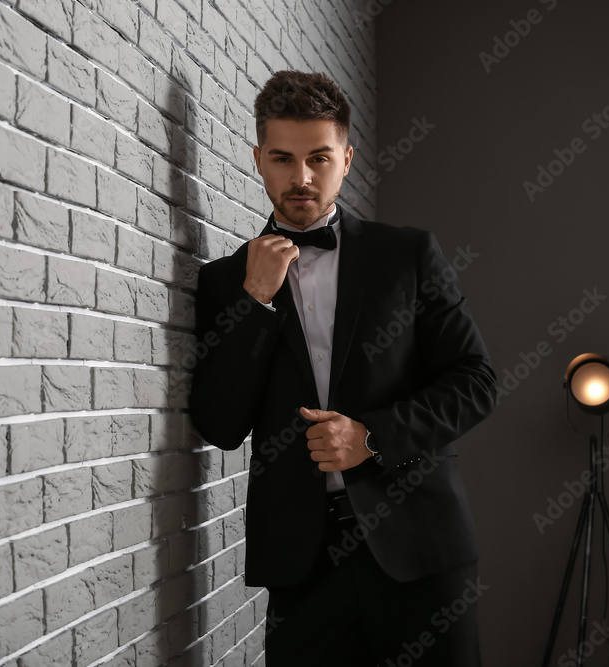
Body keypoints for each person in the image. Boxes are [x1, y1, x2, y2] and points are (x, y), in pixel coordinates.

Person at [188, 70, 497, 666]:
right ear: (257, 158)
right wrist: (254, 302)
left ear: (347, 158)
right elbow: (220, 424)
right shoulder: (224, 282)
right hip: (302, 567)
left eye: (319, 158)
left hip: (420, 553)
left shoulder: (408, 255)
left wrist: (371, 437)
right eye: (282, 158)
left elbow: (476, 381)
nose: (300, 178)